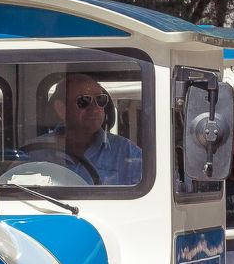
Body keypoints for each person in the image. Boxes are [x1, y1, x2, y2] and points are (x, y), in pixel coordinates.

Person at [9, 72, 144, 186]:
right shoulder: (33, 154)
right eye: (84, 101)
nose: (95, 108)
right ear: (61, 109)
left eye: (100, 100)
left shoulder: (128, 153)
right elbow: (11, 194)